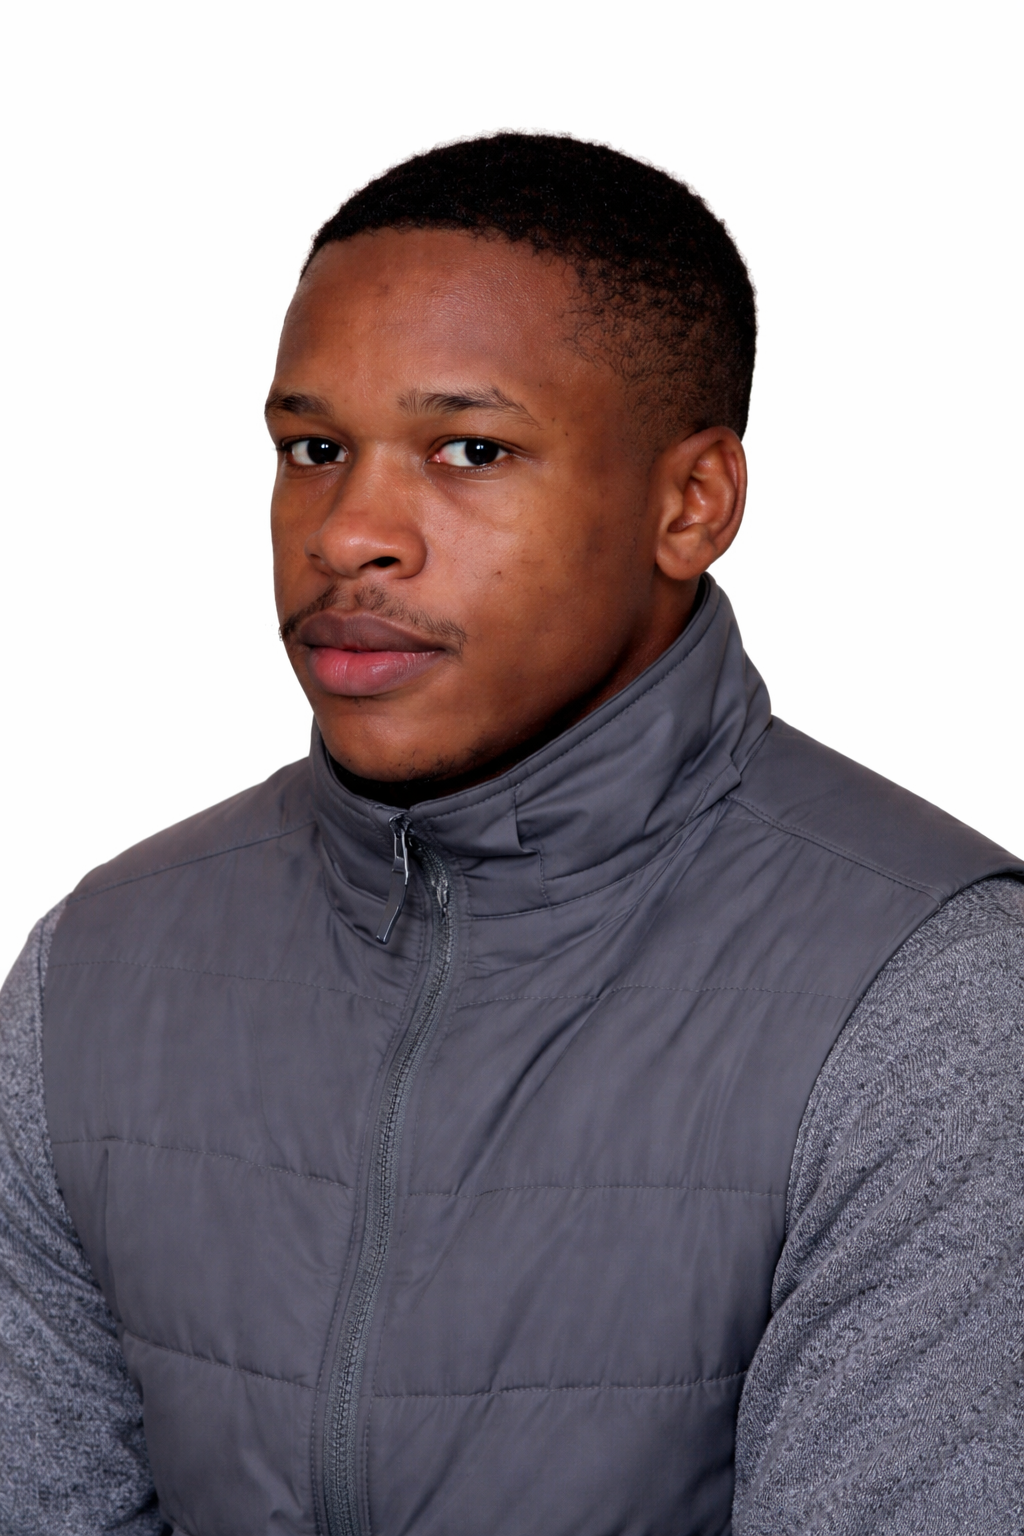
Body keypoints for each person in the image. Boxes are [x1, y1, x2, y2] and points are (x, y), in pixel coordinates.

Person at [1, 133, 1021, 1536]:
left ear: (691, 504)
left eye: (470, 450)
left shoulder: (936, 996)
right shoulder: (99, 970)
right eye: (313, 449)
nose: (348, 533)